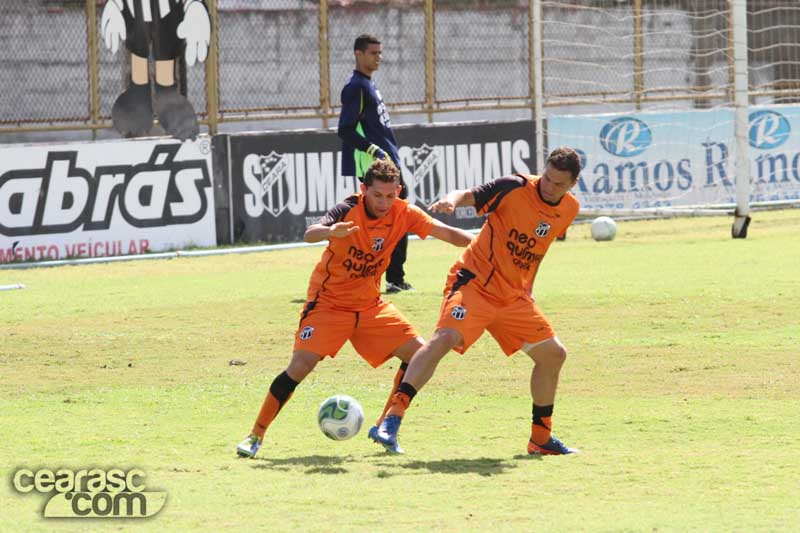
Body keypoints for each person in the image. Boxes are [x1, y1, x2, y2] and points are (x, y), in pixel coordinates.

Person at [236, 160, 474, 458]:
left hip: (370, 307)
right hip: (328, 305)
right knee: (299, 367)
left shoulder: (404, 211)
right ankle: (255, 436)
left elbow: (447, 233)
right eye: (377, 195)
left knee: (419, 355)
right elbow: (310, 233)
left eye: (390, 195)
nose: (384, 202)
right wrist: (330, 231)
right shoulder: (348, 208)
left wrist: (483, 245)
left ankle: (386, 426)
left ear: (398, 191)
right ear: (364, 190)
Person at [370, 147, 583, 455]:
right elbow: (468, 195)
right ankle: (392, 419)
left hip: (512, 296)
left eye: (558, 184)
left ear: (572, 184)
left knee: (553, 355)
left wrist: (528, 288)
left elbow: (539, 249)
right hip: (474, 282)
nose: (549, 187)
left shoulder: (569, 209)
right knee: (444, 338)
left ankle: (541, 438)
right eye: (547, 178)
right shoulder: (515, 187)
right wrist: (451, 201)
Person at [337, 33, 411, 294]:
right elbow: (344, 129)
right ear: (359, 54)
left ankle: (392, 276)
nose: (378, 58)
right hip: (375, 166)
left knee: (397, 216)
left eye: (380, 53)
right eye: (373, 53)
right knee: (385, 218)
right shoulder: (356, 86)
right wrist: (374, 150)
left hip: (387, 161)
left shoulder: (368, 84)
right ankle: (387, 276)